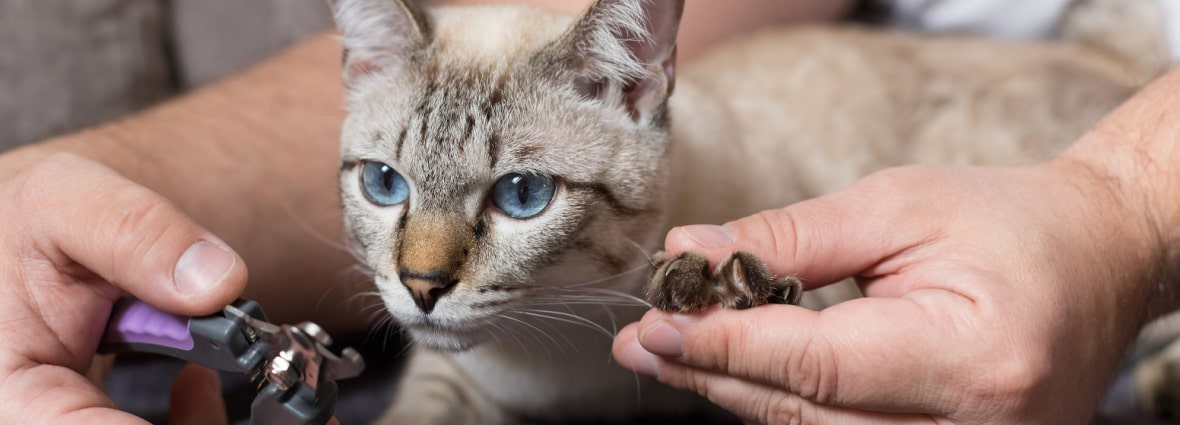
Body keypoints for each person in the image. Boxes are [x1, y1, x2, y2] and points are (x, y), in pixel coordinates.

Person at [0, 0, 1172, 424]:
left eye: (517, 196)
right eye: (386, 188)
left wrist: (1119, 211)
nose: (422, 269)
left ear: (632, 88)